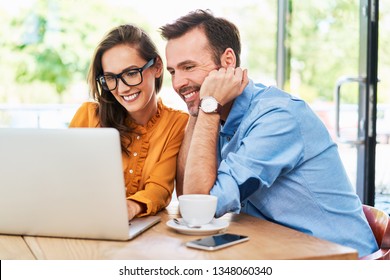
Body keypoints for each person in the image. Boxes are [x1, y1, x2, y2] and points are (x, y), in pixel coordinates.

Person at [159, 9, 378, 257]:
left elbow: (200, 208)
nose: (177, 83)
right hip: (284, 252)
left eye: (189, 67)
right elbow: (189, 201)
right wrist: (198, 109)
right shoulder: (216, 116)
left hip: (342, 261)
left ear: (228, 62)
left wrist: (206, 105)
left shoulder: (278, 117)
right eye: (173, 72)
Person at [69, 24, 188, 221]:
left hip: (137, 229)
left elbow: (159, 189)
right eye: (111, 78)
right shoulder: (88, 116)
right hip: (83, 221)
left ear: (157, 67)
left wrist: (130, 208)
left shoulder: (176, 123)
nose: (122, 89)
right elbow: (64, 178)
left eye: (131, 73)